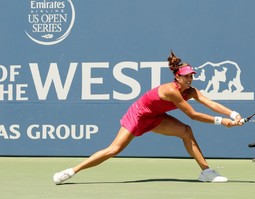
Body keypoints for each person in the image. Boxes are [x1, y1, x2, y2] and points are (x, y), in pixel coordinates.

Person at [53, 51, 243, 184]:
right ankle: (71, 171)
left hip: (156, 116)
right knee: (114, 149)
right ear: (177, 77)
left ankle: (206, 172)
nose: (189, 79)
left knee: (186, 131)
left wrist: (233, 114)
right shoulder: (172, 91)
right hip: (138, 115)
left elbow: (211, 103)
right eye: (186, 76)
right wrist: (221, 121)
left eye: (191, 76)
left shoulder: (191, 90)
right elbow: (192, 114)